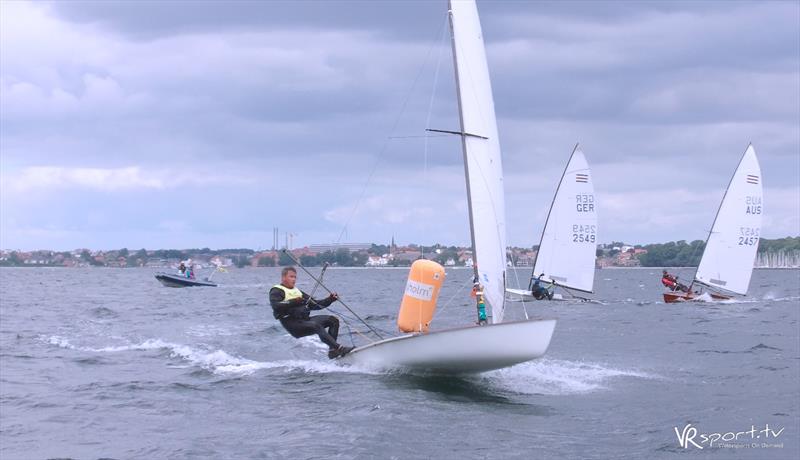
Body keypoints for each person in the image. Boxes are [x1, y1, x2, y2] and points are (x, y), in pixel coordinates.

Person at [269, 266, 353, 359]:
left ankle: (333, 351)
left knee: (333, 320)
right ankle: (339, 348)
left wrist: (330, 299)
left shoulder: (298, 292)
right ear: (283, 277)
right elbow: (276, 305)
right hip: (293, 325)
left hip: (305, 321)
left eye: (295, 277)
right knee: (316, 325)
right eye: (291, 277)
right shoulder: (276, 290)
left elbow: (316, 305)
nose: (294, 279)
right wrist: (294, 301)